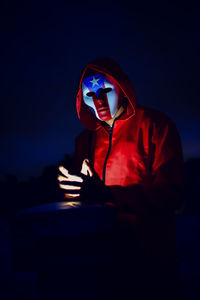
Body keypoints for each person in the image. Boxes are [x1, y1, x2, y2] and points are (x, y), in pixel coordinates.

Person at [57, 57, 184, 299]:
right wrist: (72, 191)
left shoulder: (156, 126)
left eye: (105, 90)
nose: (99, 100)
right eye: (90, 95)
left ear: (123, 88)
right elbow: (83, 198)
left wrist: (108, 194)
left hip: (152, 261)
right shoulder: (84, 140)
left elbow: (172, 196)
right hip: (102, 261)